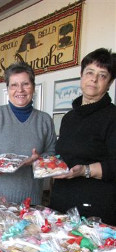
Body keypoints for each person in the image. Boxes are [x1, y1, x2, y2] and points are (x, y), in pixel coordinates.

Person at [50, 48, 116, 225]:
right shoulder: (69, 118)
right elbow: (63, 156)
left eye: (102, 75)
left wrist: (85, 171)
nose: (94, 79)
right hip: (61, 203)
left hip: (95, 208)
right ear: (81, 76)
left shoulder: (112, 116)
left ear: (109, 83)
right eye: (90, 72)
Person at [0, 62, 56, 205]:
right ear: (8, 88)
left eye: (26, 84)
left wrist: (37, 160)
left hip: (32, 200)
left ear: (33, 87)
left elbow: (52, 154)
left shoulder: (45, 120)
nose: (20, 90)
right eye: (14, 85)